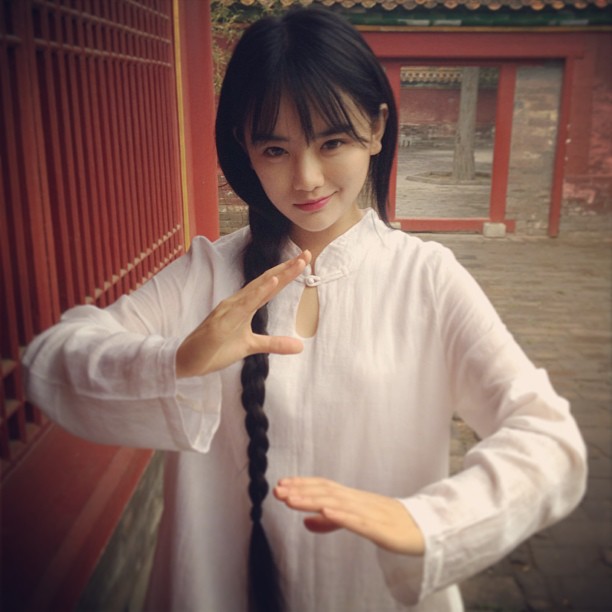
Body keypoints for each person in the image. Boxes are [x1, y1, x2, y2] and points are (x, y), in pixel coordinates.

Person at [23, 7, 586, 612]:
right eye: (275, 148)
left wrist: (432, 521)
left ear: (376, 128)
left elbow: (550, 438)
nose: (307, 177)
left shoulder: (425, 279)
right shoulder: (206, 274)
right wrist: (175, 360)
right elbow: (49, 360)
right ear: (244, 148)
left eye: (332, 141)